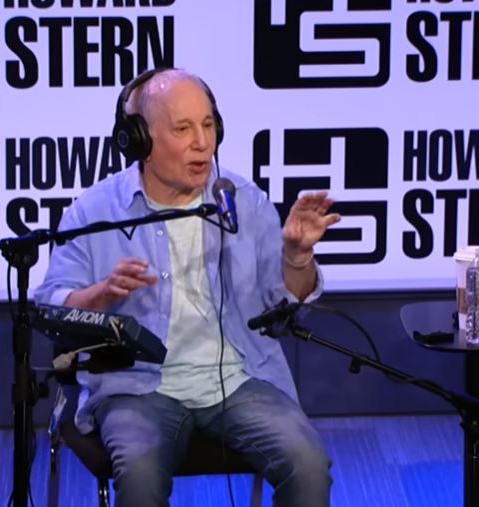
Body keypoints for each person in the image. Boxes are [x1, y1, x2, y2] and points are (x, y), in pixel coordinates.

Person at [35, 68, 341, 507]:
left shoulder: (243, 201)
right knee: (139, 478)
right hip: (136, 386)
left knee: (308, 466)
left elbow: (281, 314)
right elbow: (51, 306)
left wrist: (296, 257)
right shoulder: (95, 211)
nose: (202, 143)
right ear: (140, 140)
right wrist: (100, 295)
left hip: (241, 378)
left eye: (208, 125)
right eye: (183, 129)